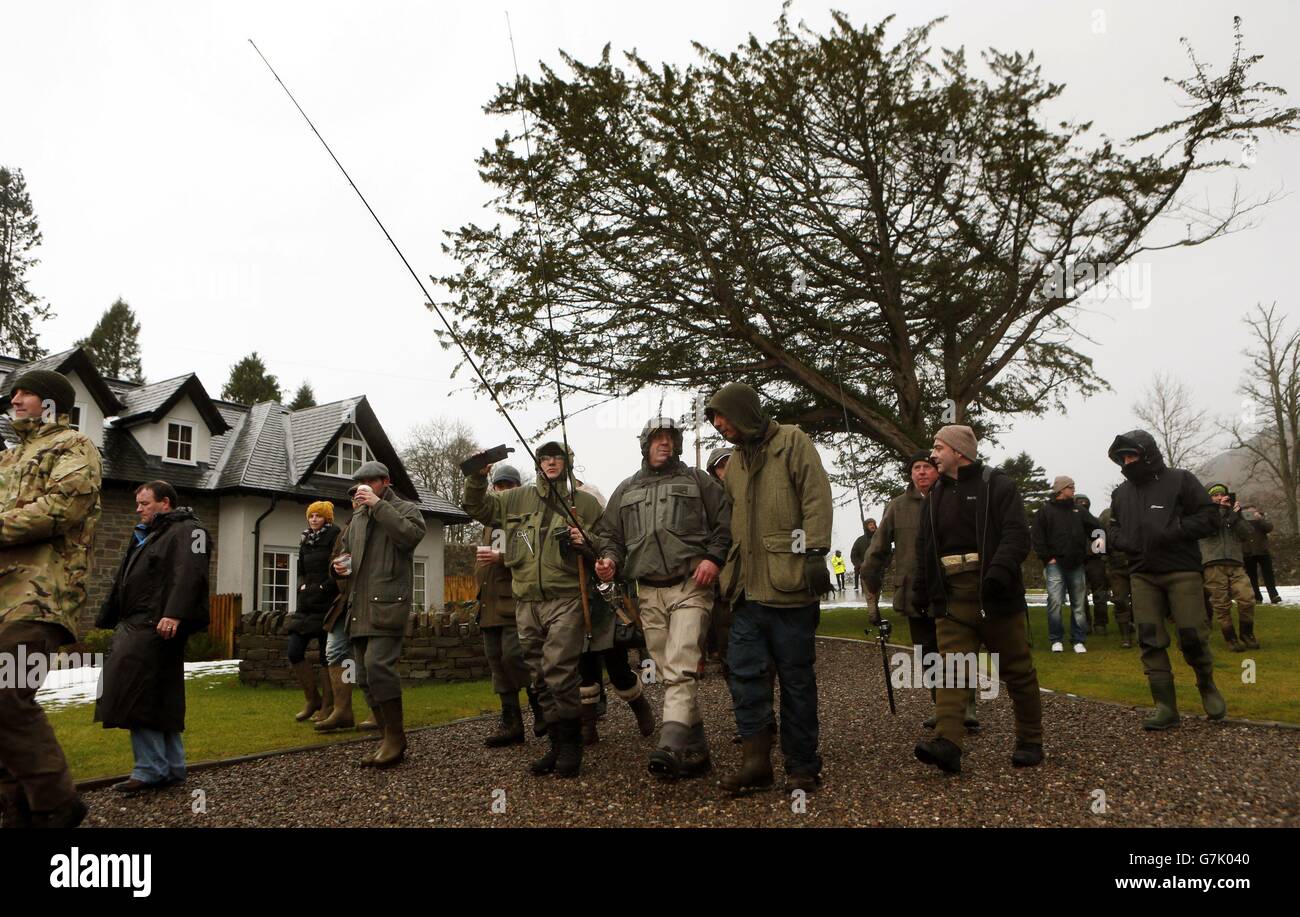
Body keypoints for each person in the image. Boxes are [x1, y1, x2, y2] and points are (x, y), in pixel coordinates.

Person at [705, 382, 832, 795]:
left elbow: (816, 497)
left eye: (721, 416)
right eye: (713, 420)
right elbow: (726, 520)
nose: (718, 425)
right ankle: (756, 763)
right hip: (745, 592)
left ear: (742, 411)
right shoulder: (736, 462)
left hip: (791, 586)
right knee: (744, 677)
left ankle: (802, 765)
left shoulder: (793, 442)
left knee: (797, 681)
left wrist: (815, 553)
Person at [596, 417, 731, 779]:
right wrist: (609, 561)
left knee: (682, 661)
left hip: (691, 586)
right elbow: (611, 536)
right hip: (648, 592)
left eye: (670, 439)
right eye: (657, 439)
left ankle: (670, 744)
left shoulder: (699, 482)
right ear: (645, 445)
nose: (665, 444)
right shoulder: (625, 490)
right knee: (670, 672)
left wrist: (713, 558)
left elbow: (725, 525)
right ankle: (697, 749)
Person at [462, 441, 604, 778]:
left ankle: (572, 746)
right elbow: (476, 507)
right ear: (537, 463)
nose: (551, 462)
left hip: (566, 597)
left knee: (559, 669)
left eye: (557, 457)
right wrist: (478, 476)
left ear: (568, 462)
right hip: (525, 598)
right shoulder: (516, 499)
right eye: (544, 457)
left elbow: (608, 544)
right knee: (538, 674)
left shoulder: (584, 503)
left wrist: (586, 541)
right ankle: (555, 744)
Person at [0, 371, 101, 827]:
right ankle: (18, 811)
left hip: (41, 596)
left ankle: (57, 805)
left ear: (52, 402)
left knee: (5, 692)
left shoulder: (75, 447)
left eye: (24, 392)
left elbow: (63, 508)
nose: (14, 398)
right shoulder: (9, 458)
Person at [912, 426, 1043, 774]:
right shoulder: (934, 495)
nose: (932, 454)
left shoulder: (998, 485)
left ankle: (1030, 740)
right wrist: (920, 591)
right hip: (952, 597)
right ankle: (948, 743)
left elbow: (1017, 534)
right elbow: (924, 547)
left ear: (959, 451)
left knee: (1016, 670)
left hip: (995, 594)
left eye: (938, 447)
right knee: (952, 670)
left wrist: (999, 573)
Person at [95, 481, 209, 795]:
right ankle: (171, 767)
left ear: (165, 503)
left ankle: (149, 770)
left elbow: (190, 573)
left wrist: (174, 613)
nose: (138, 508)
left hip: (155, 625)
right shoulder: (153, 534)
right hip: (143, 624)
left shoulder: (189, 531)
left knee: (136, 695)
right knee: (159, 696)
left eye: (145, 503)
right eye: (138, 503)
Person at [1106, 430, 1223, 730]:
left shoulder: (1181, 480)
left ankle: (1206, 683)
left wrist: (1175, 529)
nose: (1127, 461)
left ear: (1147, 453)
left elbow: (1210, 517)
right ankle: (1165, 707)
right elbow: (1114, 527)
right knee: (1149, 637)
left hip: (1181, 569)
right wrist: (1123, 540)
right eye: (1122, 458)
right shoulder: (1121, 493)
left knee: (1192, 635)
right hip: (1142, 573)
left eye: (1131, 455)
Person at [863, 451, 977, 729]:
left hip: (951, 589)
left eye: (927, 466)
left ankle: (967, 707)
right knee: (927, 652)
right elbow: (878, 548)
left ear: (937, 471)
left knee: (958, 650)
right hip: (914, 591)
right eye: (916, 468)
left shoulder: (954, 499)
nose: (922, 472)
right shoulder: (897, 506)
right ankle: (942, 706)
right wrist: (870, 578)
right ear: (910, 473)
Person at [334, 461, 426, 767]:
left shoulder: (406, 509)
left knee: (377, 667)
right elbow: (344, 554)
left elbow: (410, 537)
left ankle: (396, 739)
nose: (362, 489)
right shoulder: (357, 518)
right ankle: (386, 737)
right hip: (358, 606)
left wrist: (378, 506)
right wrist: (339, 567)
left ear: (384, 482)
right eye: (359, 484)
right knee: (363, 675)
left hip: (387, 604)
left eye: (369, 483)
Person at [576, 481, 655, 747]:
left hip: (607, 605)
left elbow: (616, 557)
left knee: (617, 665)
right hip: (577, 603)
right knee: (584, 666)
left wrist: (588, 545)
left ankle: (640, 707)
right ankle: (587, 726)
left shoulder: (608, 529)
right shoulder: (567, 527)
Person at [476, 465, 548, 746]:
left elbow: (531, 555)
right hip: (488, 605)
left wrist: (502, 558)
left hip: (513, 602)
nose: (503, 490)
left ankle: (541, 707)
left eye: (509, 485)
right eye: (499, 486)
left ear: (517, 487)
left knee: (514, 657)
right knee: (497, 664)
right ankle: (511, 723)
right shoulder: (489, 521)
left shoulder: (521, 519)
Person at [287, 501, 340, 723]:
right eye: (311, 516)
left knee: (326, 656)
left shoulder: (335, 536)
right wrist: (301, 585)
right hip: (306, 604)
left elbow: (338, 567)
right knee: (294, 651)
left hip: (327, 604)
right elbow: (301, 568)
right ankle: (312, 699)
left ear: (327, 518)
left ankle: (328, 705)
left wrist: (323, 587)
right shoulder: (305, 539)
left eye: (319, 516)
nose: (314, 519)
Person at [1030, 475, 1090, 653]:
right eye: (1070, 486)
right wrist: (1047, 558)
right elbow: (1037, 537)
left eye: (1073, 486)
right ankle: (1056, 639)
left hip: (1077, 564)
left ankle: (1078, 640)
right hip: (1054, 564)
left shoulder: (1079, 511)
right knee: (1055, 602)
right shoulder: (1045, 511)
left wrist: (1094, 552)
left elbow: (1097, 529)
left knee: (1079, 604)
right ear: (1061, 490)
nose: (1074, 489)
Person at [314, 507, 358, 732]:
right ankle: (343, 710)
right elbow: (333, 558)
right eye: (353, 497)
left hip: (368, 599)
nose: (356, 500)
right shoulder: (346, 530)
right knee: (336, 650)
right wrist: (336, 566)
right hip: (344, 599)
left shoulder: (379, 522)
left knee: (367, 656)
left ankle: (378, 713)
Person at [1200, 484, 1258, 652]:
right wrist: (1224, 512)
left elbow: (1248, 534)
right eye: (1215, 495)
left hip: (1235, 562)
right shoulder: (1203, 514)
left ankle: (1247, 633)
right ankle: (1230, 638)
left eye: (1222, 494)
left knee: (1247, 598)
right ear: (1208, 498)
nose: (1220, 497)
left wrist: (1237, 516)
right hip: (1213, 563)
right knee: (1221, 604)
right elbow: (1210, 530)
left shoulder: (1233, 514)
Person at [1097, 503, 1136, 648]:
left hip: (1137, 563)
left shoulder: (1137, 510)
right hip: (1116, 565)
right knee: (1120, 600)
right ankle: (1125, 637)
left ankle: (1142, 634)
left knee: (1141, 600)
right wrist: (1104, 558)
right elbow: (1098, 536)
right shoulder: (1106, 515)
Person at [1074, 493, 1111, 635]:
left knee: (1100, 595)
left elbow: (1101, 546)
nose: (1083, 504)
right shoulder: (1072, 524)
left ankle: (1100, 624)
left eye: (1085, 502)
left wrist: (1099, 555)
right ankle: (1085, 624)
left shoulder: (1096, 522)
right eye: (1080, 502)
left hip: (1095, 562)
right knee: (1080, 596)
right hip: (1078, 562)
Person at [1241, 505, 1283, 605]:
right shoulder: (1240, 521)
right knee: (1251, 576)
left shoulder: (1261, 519)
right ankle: (1256, 596)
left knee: (1268, 574)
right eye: (1248, 512)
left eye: (1253, 512)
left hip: (1263, 551)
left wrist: (1260, 519)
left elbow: (1269, 528)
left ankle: (1273, 595)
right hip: (1248, 552)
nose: (1250, 514)